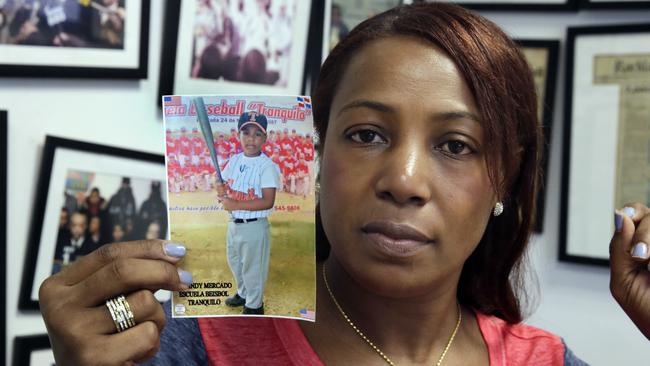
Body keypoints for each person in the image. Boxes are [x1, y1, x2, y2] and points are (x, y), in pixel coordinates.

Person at [38, 4, 650, 365]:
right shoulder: (185, 348)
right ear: (315, 152)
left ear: (503, 185)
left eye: (456, 146)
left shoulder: (542, 361)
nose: (404, 181)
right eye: (366, 135)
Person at [216, 111, 281, 315]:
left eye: (257, 134)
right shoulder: (234, 161)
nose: (251, 139)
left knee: (253, 268)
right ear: (238, 135)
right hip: (234, 224)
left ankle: (254, 306)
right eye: (246, 133)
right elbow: (222, 186)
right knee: (235, 262)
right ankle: (243, 293)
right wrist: (219, 186)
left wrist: (234, 203)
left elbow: (267, 200)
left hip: (254, 226)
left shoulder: (267, 166)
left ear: (265, 138)